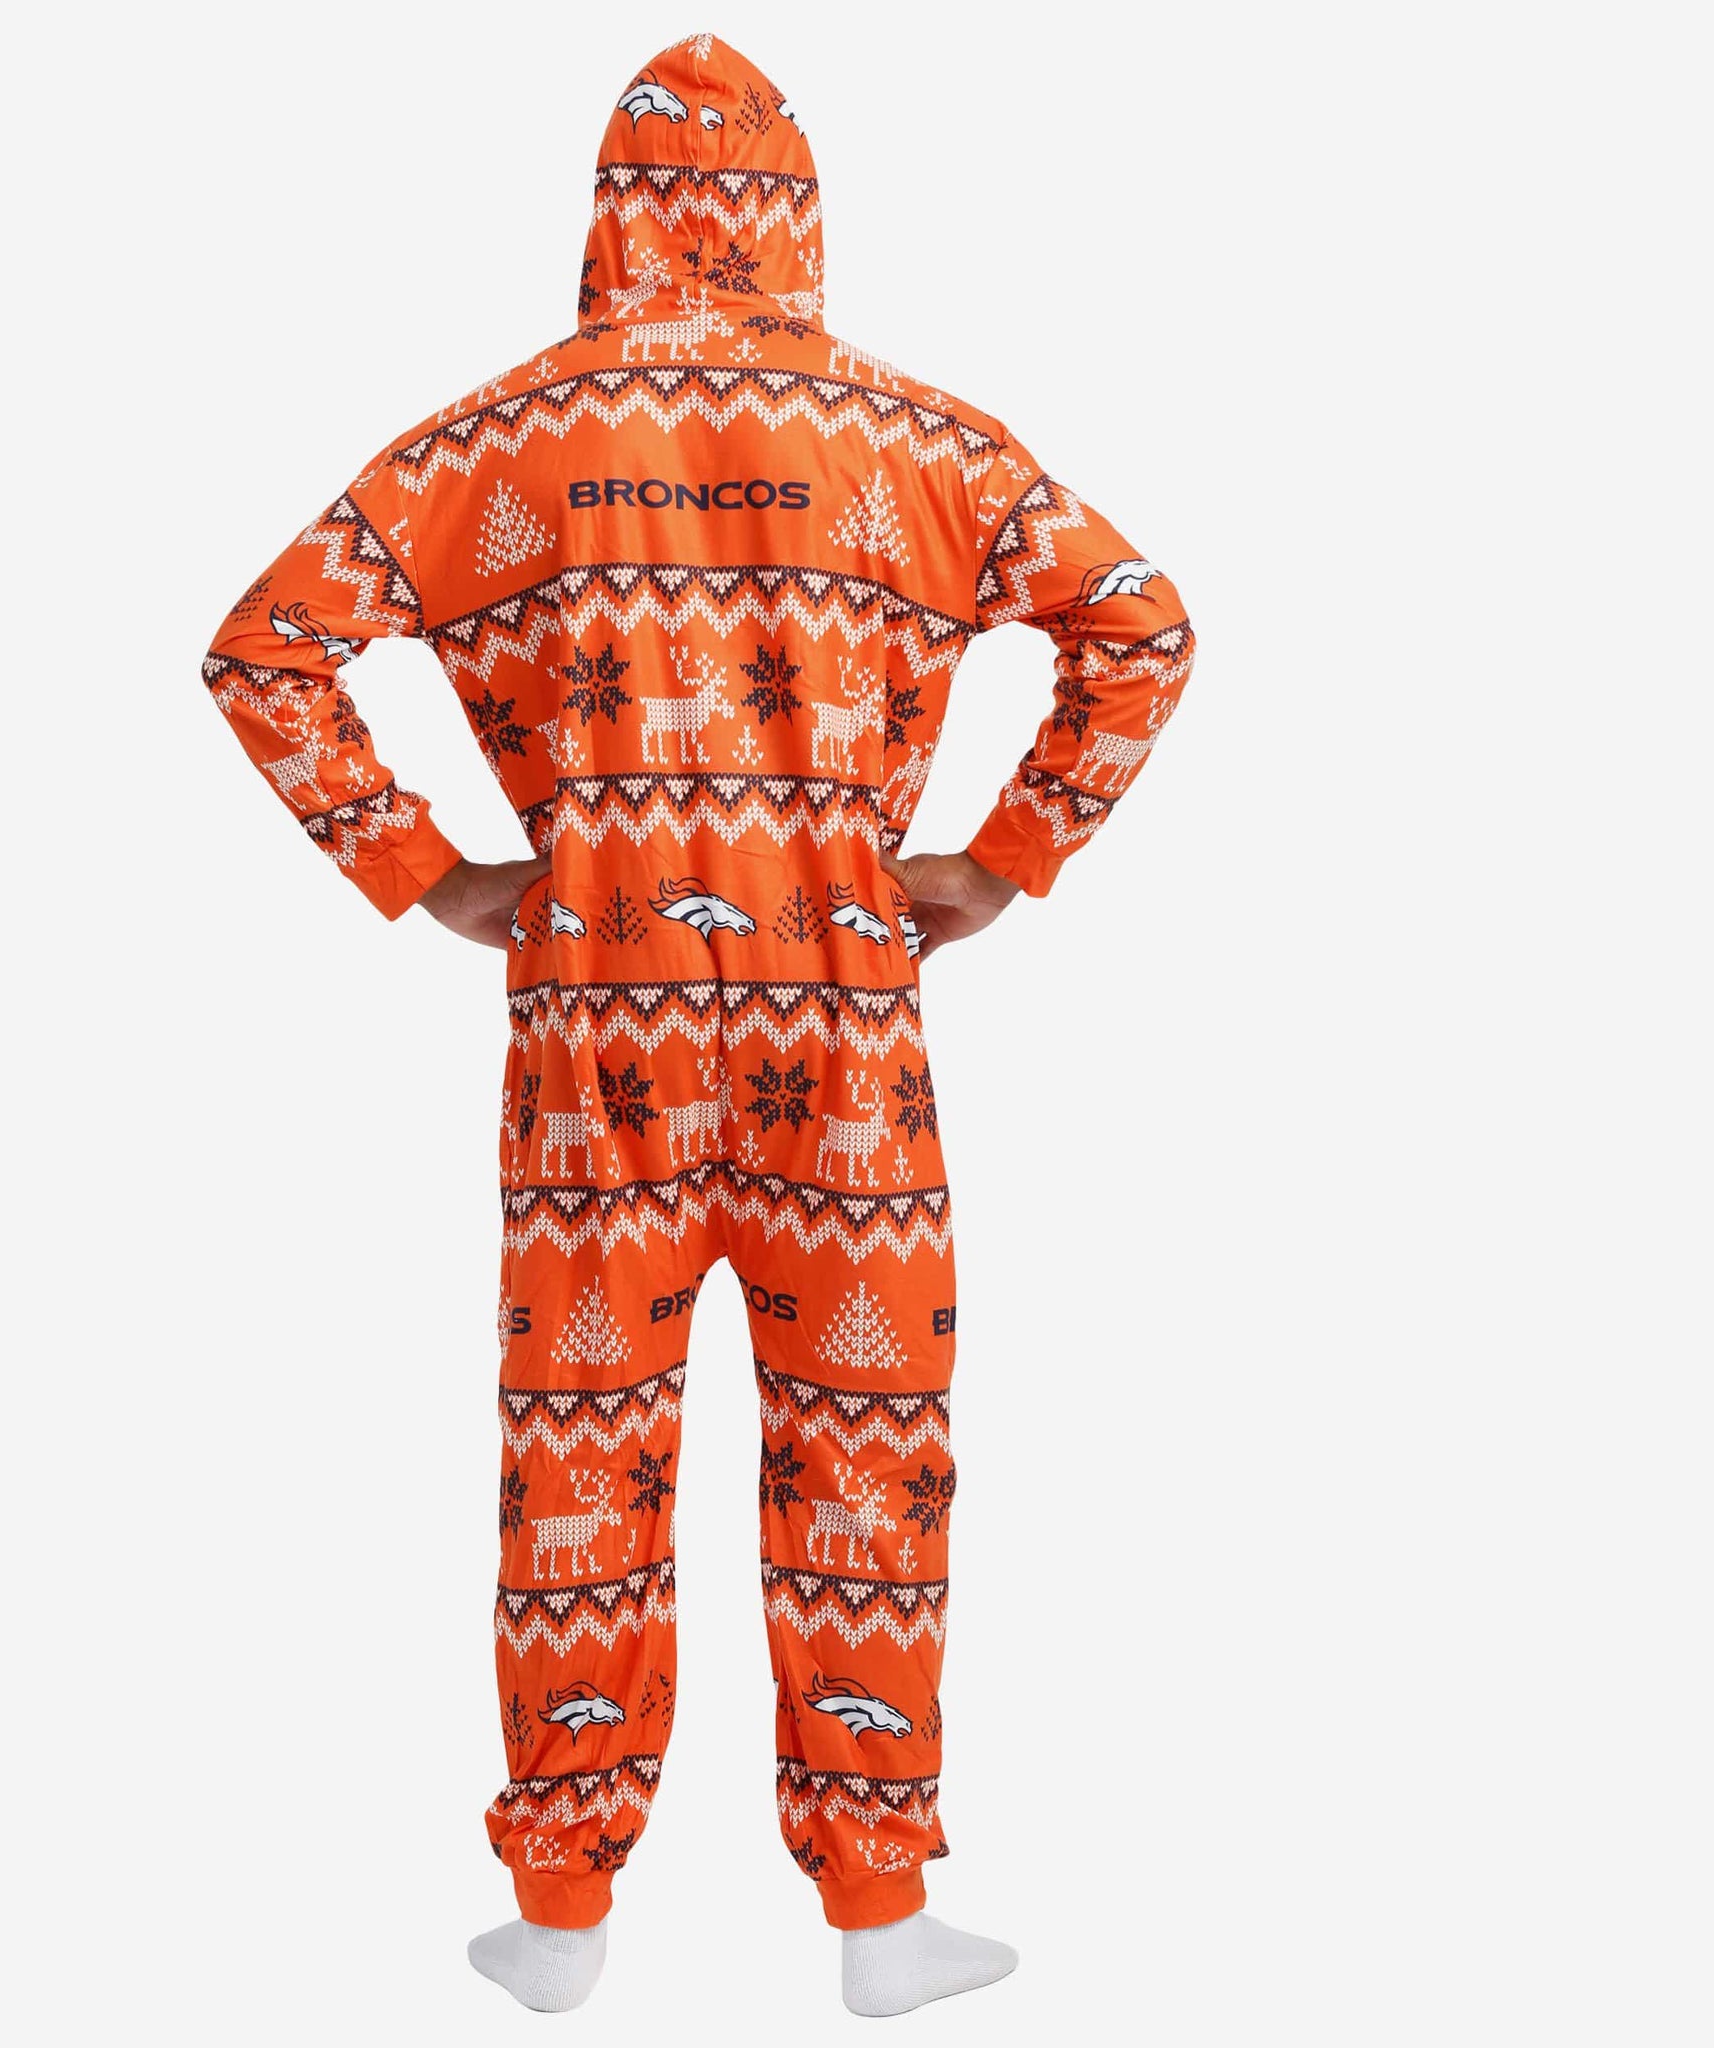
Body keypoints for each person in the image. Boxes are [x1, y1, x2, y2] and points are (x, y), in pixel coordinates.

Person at [199, 33, 1195, 2017]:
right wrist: (1001, 859)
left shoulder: (497, 443)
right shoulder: (919, 442)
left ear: (609, 212)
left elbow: (264, 649)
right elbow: (1143, 623)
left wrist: (435, 873)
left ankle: (559, 1916)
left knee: (577, 1452)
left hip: (595, 1033)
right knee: (869, 1451)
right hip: (848, 1028)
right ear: (798, 212)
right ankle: (881, 1917)